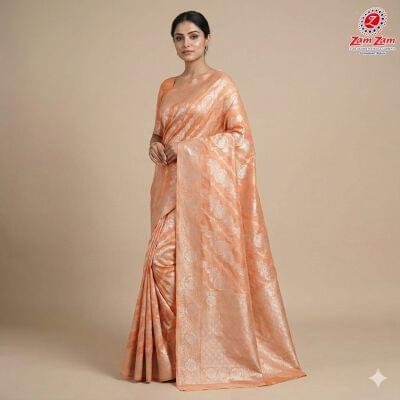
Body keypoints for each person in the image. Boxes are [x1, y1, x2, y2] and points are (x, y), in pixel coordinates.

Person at [120, 10, 307, 391]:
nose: (186, 44)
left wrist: (187, 149)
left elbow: (240, 139)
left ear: (207, 39)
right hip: (168, 187)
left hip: (205, 194)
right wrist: (154, 145)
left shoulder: (222, 85)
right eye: (179, 37)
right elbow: (159, 133)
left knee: (196, 269)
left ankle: (207, 352)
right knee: (162, 265)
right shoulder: (167, 86)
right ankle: (174, 357)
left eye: (193, 36)